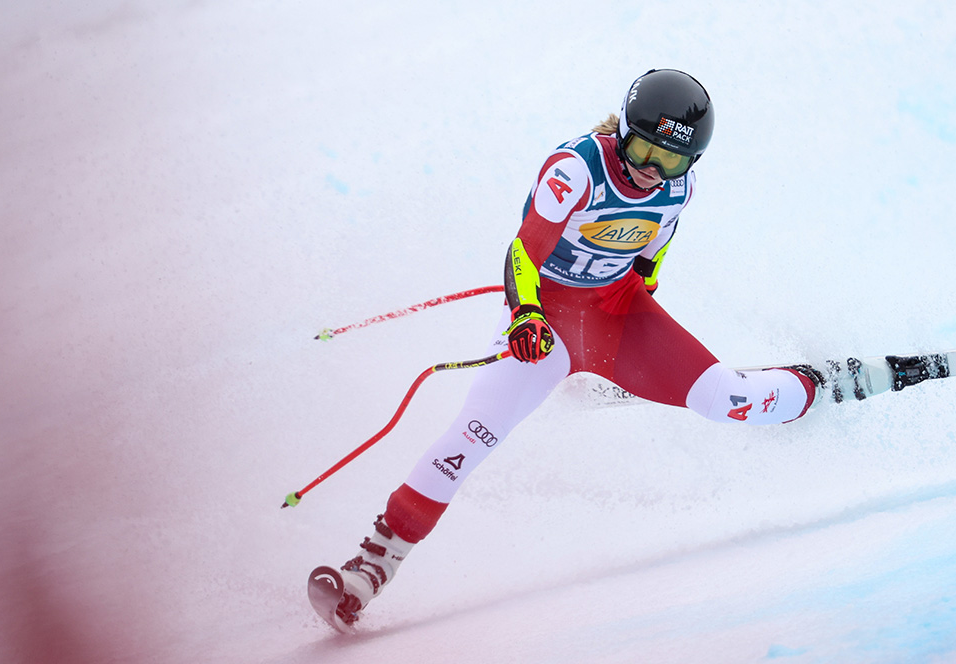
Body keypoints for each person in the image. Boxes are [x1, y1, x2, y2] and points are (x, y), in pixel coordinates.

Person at [323, 69, 838, 628]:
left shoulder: (680, 189)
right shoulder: (576, 171)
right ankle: (373, 565)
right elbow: (523, 252)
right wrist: (525, 313)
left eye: (670, 161)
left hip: (617, 316)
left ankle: (820, 385)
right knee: (472, 436)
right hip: (544, 322)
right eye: (643, 149)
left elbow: (649, 259)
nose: (651, 171)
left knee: (729, 402)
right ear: (623, 131)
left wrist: (645, 333)